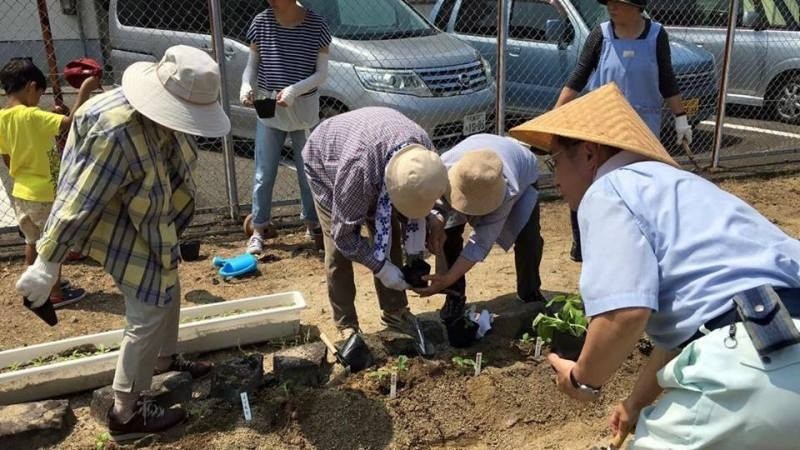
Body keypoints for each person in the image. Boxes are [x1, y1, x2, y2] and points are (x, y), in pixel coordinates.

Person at [510, 82, 800, 449]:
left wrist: (583, 381)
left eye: (554, 161)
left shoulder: (608, 190)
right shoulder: (685, 187)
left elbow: (626, 313)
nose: (553, 178)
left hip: (747, 369)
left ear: (587, 154)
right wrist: (635, 404)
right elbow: (694, 325)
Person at [15, 45, 228, 441]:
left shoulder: (160, 116)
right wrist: (47, 262)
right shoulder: (117, 131)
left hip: (144, 209)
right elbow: (81, 196)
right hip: (109, 217)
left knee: (170, 279)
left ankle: (164, 359)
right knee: (148, 304)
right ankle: (125, 414)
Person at [302, 107, 448, 356]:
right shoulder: (358, 171)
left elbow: (423, 199)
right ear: (392, 184)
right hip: (326, 161)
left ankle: (394, 310)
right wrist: (381, 268)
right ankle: (346, 323)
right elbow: (345, 236)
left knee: (387, 230)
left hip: (373, 150)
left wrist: (433, 218)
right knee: (338, 251)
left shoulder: (425, 155)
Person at [554, 0, 692, 262]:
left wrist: (680, 117)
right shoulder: (601, 34)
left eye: (618, 3)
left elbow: (667, 78)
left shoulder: (656, 35)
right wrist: (555, 115)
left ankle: (638, 241)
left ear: (636, 7)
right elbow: (579, 75)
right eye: (610, 3)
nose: (611, 8)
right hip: (604, 125)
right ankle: (584, 244)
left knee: (641, 186)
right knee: (593, 184)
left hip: (643, 127)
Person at [414, 133, 545, 325]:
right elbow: (436, 205)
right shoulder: (442, 169)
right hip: (469, 165)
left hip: (522, 170)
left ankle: (530, 292)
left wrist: (448, 277)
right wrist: (438, 221)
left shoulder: (508, 190)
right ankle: (455, 297)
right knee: (449, 234)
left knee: (528, 237)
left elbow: (480, 243)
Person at [0, 57, 98, 307]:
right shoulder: (33, 116)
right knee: (52, 244)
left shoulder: (3, 118)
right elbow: (71, 122)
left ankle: (33, 286)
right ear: (31, 87)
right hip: (44, 193)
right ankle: (53, 293)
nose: (39, 100)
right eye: (39, 94)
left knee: (31, 241)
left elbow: (7, 157)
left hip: (21, 192)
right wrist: (85, 90)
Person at [240, 0, 331, 254]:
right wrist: (246, 86)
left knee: (308, 172)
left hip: (303, 111)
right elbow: (251, 66)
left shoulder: (317, 25)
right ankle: (258, 228)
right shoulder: (261, 22)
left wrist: (294, 90)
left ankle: (313, 224)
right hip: (270, 108)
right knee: (263, 172)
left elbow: (321, 74)